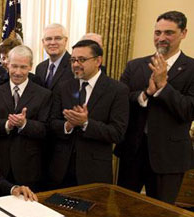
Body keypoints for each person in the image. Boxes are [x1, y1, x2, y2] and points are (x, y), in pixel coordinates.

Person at [115, 11, 194, 204]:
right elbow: (121, 101)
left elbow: (188, 110)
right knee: (123, 212)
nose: (161, 38)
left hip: (169, 158)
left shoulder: (191, 69)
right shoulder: (135, 66)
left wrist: (164, 87)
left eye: (169, 33)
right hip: (132, 153)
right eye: (157, 32)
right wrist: (146, 94)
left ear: (184, 33)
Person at [49, 40, 129, 188]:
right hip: (61, 171)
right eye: (73, 60)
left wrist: (86, 123)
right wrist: (68, 125)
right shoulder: (63, 87)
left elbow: (117, 133)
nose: (75, 64)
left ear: (98, 60)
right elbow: (52, 123)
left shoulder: (117, 90)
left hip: (94, 172)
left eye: (82, 60)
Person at [0, 45, 51, 191]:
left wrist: (24, 124)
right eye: (14, 66)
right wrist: (8, 124)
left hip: (30, 168)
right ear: (7, 64)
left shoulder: (44, 95)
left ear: (30, 67)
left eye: (23, 67)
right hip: (0, 168)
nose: (18, 72)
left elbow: (46, 129)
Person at [33, 23, 74, 91]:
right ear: (43, 42)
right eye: (48, 39)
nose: (52, 42)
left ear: (65, 40)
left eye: (58, 38)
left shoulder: (74, 66)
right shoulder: (40, 68)